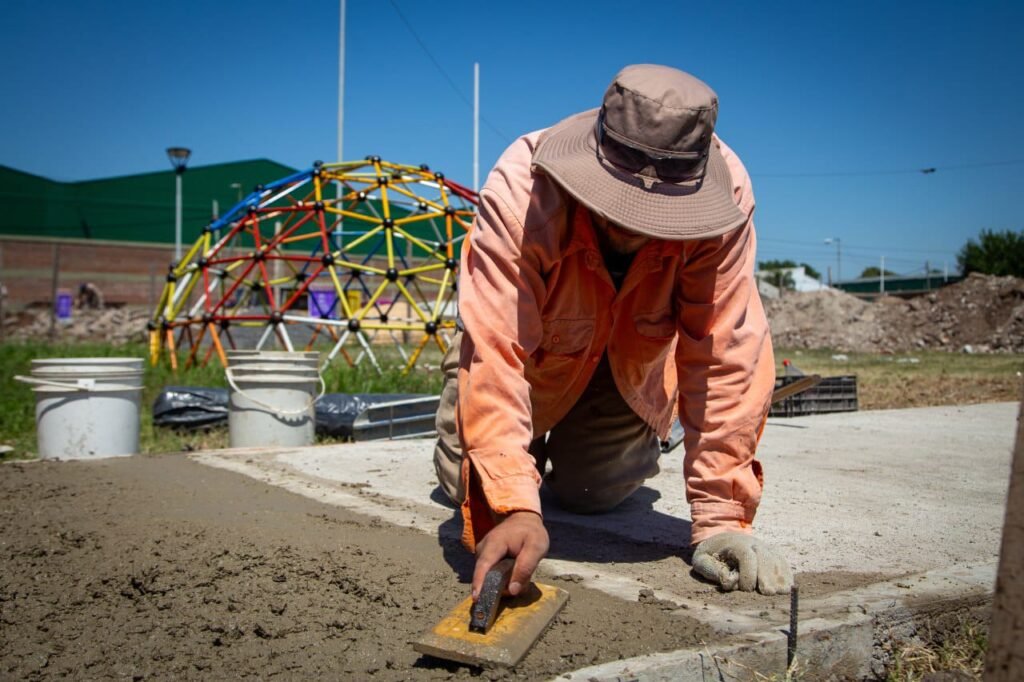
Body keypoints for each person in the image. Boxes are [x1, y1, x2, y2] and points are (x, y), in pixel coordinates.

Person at [433, 64, 793, 599]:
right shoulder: (524, 183)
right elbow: (496, 345)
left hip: (629, 368)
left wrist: (721, 517)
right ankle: (497, 437)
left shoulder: (727, 199)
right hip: (533, 359)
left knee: (593, 495)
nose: (634, 224)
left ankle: (626, 437)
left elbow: (724, 354)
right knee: (460, 481)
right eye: (620, 205)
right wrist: (511, 505)